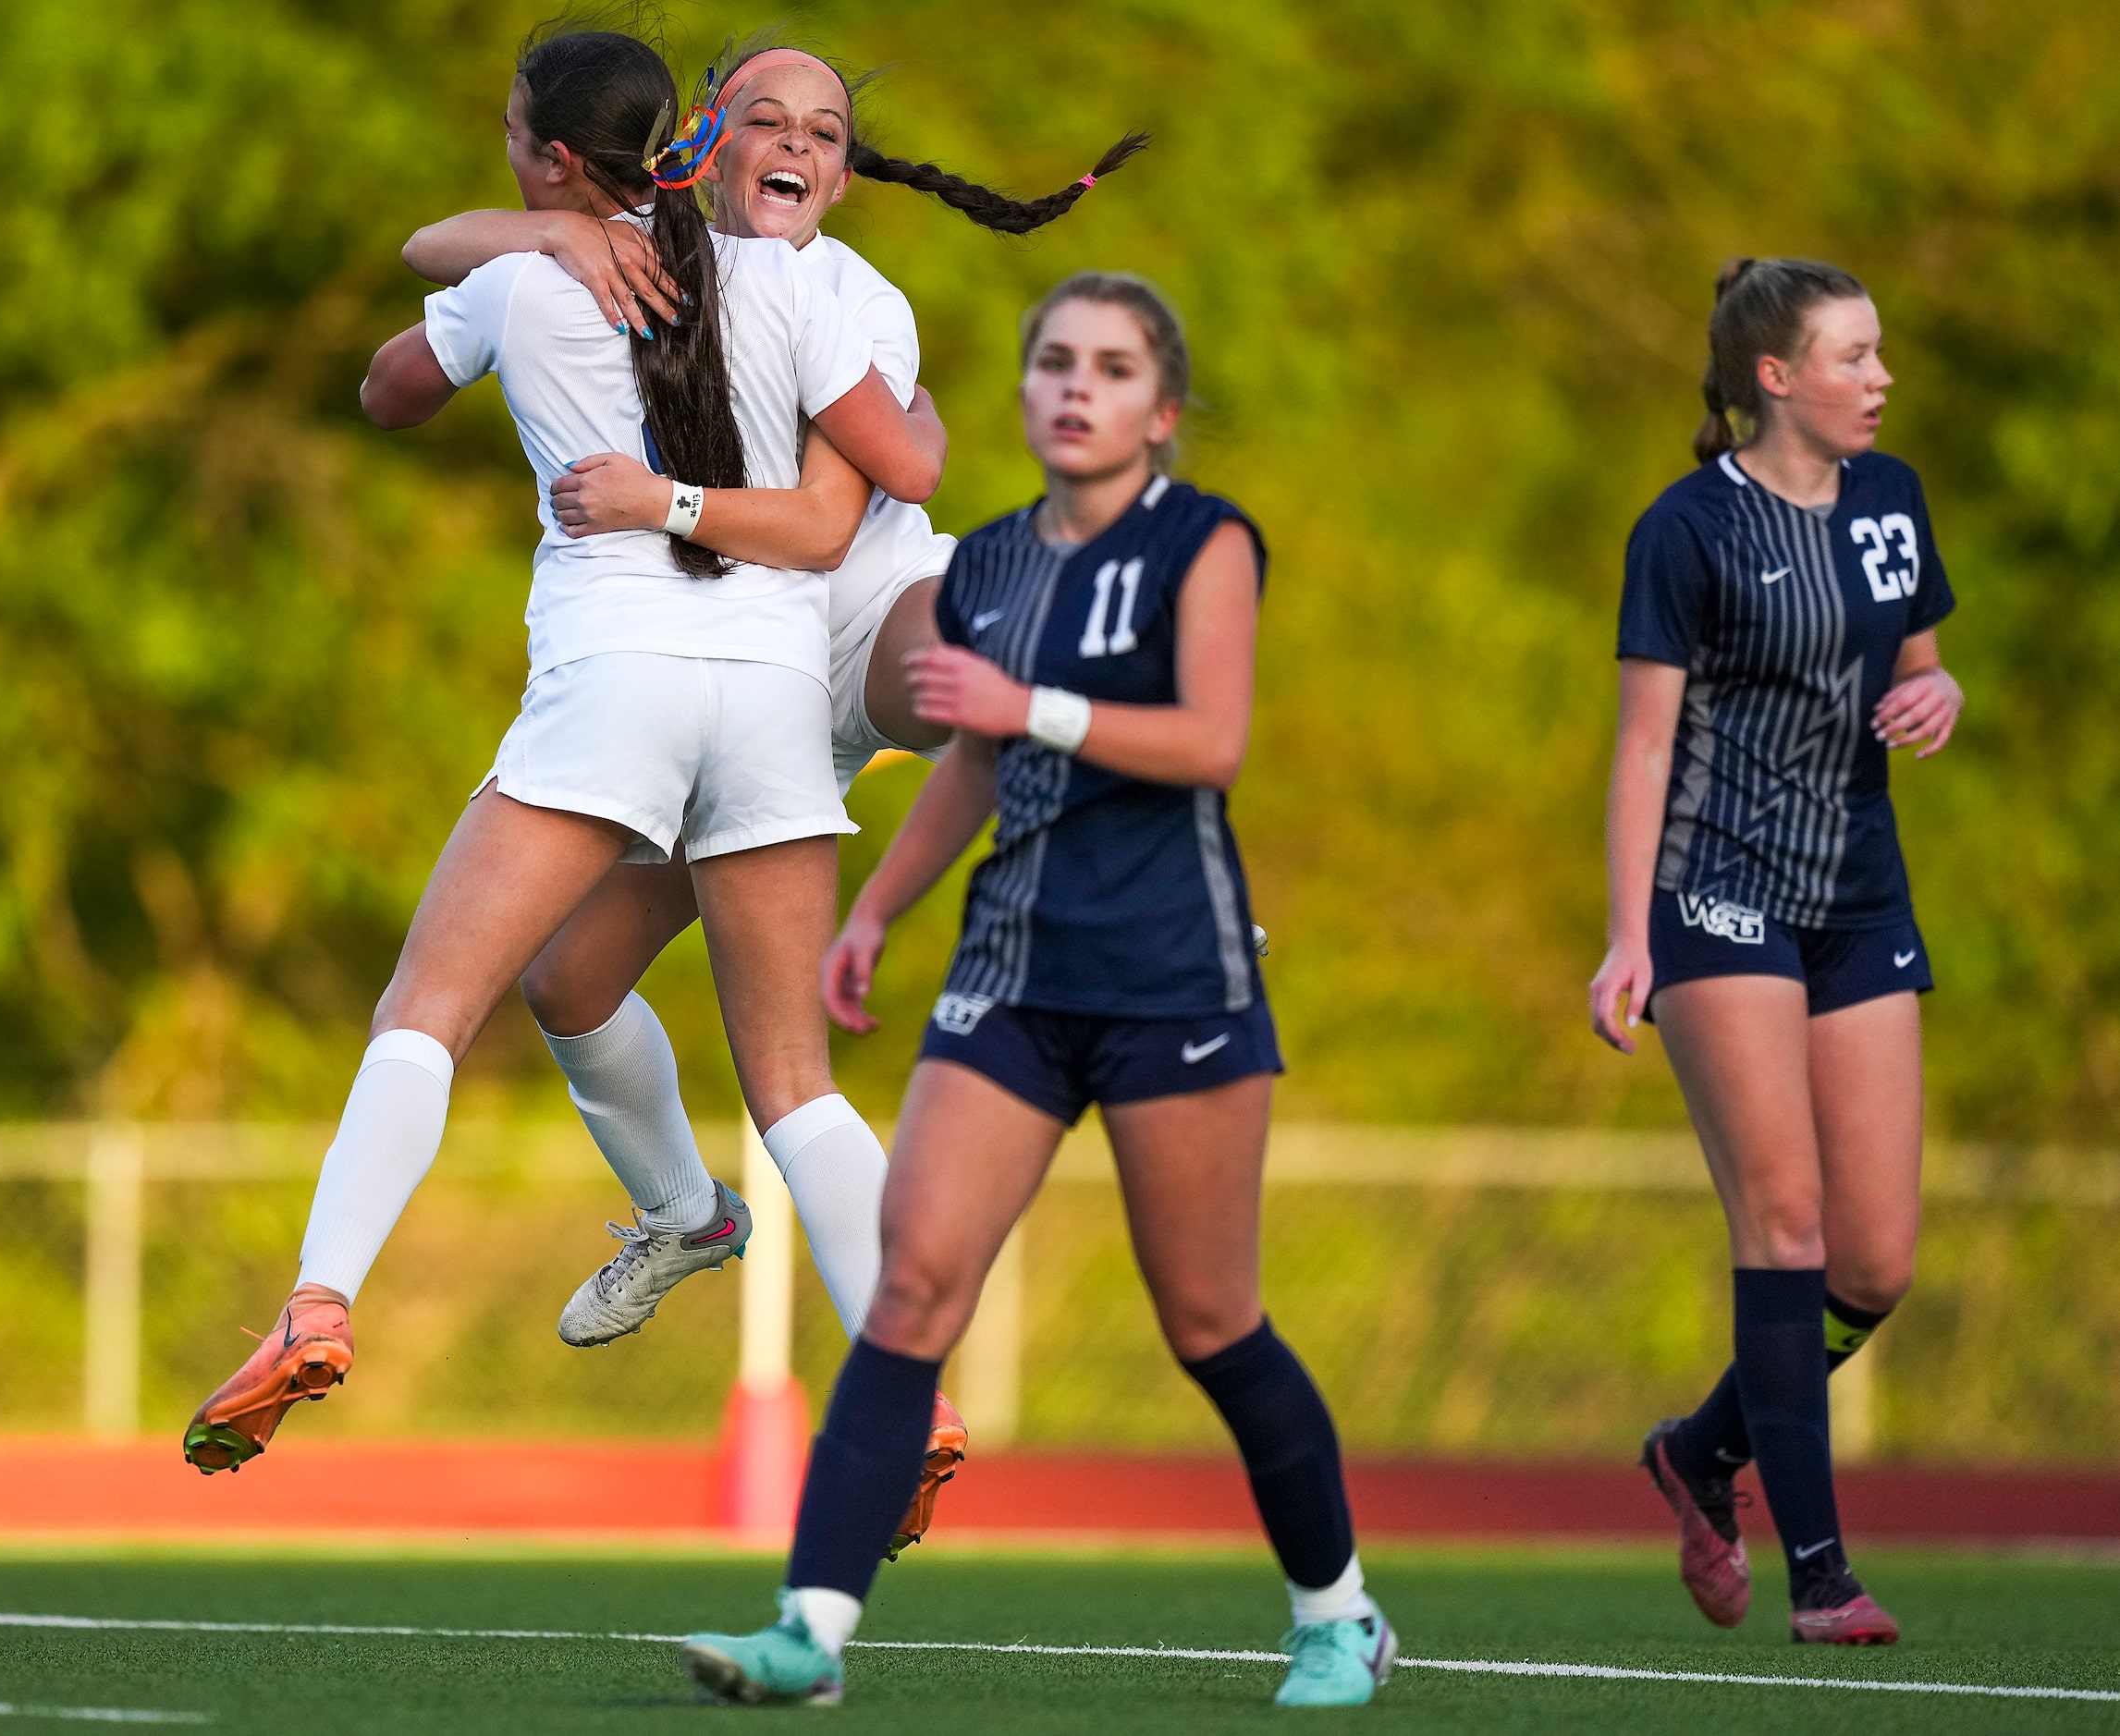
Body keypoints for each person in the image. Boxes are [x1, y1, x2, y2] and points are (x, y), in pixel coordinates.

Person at [402, 40, 1142, 1552]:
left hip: (842, 617)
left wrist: (667, 496)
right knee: (567, 978)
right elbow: (426, 283)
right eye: (766, 120)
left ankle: (1057, 728)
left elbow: (827, 520)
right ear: (697, 145)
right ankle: (688, 1216)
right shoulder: (625, 256)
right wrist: (551, 229)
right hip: (723, 687)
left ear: (845, 175)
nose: (799, 144)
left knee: (948, 652)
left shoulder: (841, 291)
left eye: (828, 133)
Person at [179, 26, 946, 1474]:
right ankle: (910, 1380)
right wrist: (921, 417)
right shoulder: (793, 281)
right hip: (773, 698)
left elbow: (386, 392)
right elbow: (898, 467)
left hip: (618, 687)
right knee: (789, 1079)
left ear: (542, 152)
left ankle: (319, 1298)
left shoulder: (525, 279)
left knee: (428, 1006)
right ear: (692, 140)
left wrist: (518, 268)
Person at [679, 273, 1396, 1710]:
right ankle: (810, 1631)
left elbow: (1209, 740)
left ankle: (1337, 1612)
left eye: (1113, 368)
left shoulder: (1206, 543)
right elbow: (971, 761)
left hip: (1172, 978)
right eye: (1055, 362)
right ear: (1021, 392)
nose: (1077, 386)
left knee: (1210, 1321)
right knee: (911, 1291)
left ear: (1160, 410)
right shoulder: (989, 562)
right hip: (1009, 977)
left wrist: (1029, 709)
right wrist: (875, 909)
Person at [1589, 257, 1964, 1644]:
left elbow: (1918, 660)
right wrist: (1628, 935)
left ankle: (1698, 1449)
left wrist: (1939, 692)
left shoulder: (1891, 499)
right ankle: (1821, 1573)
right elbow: (1639, 746)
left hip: (1858, 898)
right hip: (1715, 890)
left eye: (1877, 354)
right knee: (1787, 1227)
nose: (1878, 378)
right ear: (1774, 377)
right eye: (1852, 356)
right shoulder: (1683, 529)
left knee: (1871, 1265)